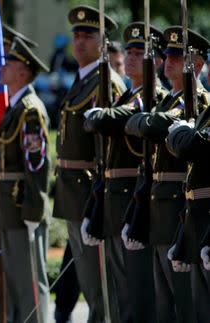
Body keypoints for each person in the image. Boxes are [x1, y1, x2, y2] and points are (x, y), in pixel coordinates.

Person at [84, 22, 167, 322]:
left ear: (156, 61)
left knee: (138, 287)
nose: (130, 58)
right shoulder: (127, 95)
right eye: (128, 52)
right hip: (114, 198)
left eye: (139, 53)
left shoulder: (153, 97)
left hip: (134, 196)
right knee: (121, 287)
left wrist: (100, 115)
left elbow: (117, 119)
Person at [52, 5, 126, 323]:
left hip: (91, 193)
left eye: (88, 35)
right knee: (89, 281)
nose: (80, 41)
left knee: (101, 286)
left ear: (102, 42)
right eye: (77, 35)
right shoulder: (83, 79)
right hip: (74, 193)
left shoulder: (105, 83)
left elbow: (112, 148)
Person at [0, 36, 50, 323]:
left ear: (24, 71)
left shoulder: (30, 109)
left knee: (30, 280)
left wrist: (33, 211)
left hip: (22, 207)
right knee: (16, 279)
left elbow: (37, 166)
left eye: (11, 63)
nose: (3, 67)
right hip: (9, 205)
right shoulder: (15, 106)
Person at [164, 28, 210, 323]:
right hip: (196, 217)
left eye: (181, 57)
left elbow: (197, 147)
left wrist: (180, 134)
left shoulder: (201, 102)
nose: (172, 61)